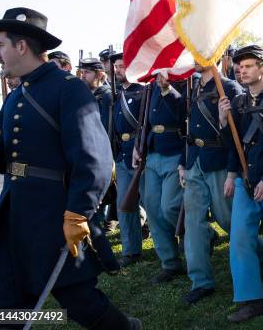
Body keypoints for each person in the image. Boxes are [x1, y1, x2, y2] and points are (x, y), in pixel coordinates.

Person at [0, 7, 139, 328]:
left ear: (21, 46)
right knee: (1, 302)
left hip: (53, 216)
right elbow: (5, 160)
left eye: (1, 44)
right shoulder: (17, 96)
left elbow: (94, 158)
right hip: (15, 215)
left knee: (80, 303)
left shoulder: (67, 88)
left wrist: (78, 212)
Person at [218, 45, 263, 323]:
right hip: (247, 183)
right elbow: (235, 146)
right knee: (240, 240)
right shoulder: (238, 103)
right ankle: (251, 299)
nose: (241, 71)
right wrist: (232, 175)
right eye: (239, 67)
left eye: (247, 66)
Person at [178, 62, 242, 305]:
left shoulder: (229, 88)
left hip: (219, 161)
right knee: (193, 223)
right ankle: (201, 282)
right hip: (195, 161)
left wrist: (233, 172)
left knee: (228, 220)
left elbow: (237, 136)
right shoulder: (192, 88)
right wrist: (183, 163)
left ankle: (260, 250)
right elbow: (188, 130)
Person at [138, 72, 186, 284]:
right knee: (154, 210)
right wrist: (139, 146)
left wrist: (168, 90)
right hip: (153, 151)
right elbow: (144, 121)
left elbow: (184, 114)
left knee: (169, 207)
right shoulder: (149, 87)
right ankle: (170, 263)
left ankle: (200, 234)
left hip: (175, 151)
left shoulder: (185, 81)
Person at [77, 57, 120, 274]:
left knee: (109, 197)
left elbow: (107, 126)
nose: (83, 75)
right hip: (94, 153)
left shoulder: (106, 95)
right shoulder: (89, 95)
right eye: (82, 72)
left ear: (99, 74)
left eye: (87, 72)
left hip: (106, 153)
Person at [111, 52, 147, 267]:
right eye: (115, 66)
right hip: (123, 154)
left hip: (142, 153)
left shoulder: (144, 92)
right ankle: (131, 250)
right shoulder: (117, 96)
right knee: (124, 204)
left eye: (122, 66)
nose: (118, 70)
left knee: (154, 206)